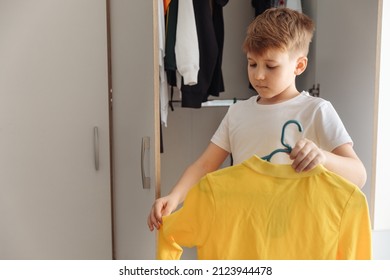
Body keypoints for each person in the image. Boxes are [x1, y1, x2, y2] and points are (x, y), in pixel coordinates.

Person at [147, 7, 367, 231]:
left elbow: (358, 175)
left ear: (299, 66)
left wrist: (323, 158)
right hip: (247, 233)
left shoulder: (317, 110)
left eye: (271, 66)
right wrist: (174, 197)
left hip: (299, 237)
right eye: (252, 64)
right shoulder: (237, 113)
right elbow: (204, 165)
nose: (258, 75)